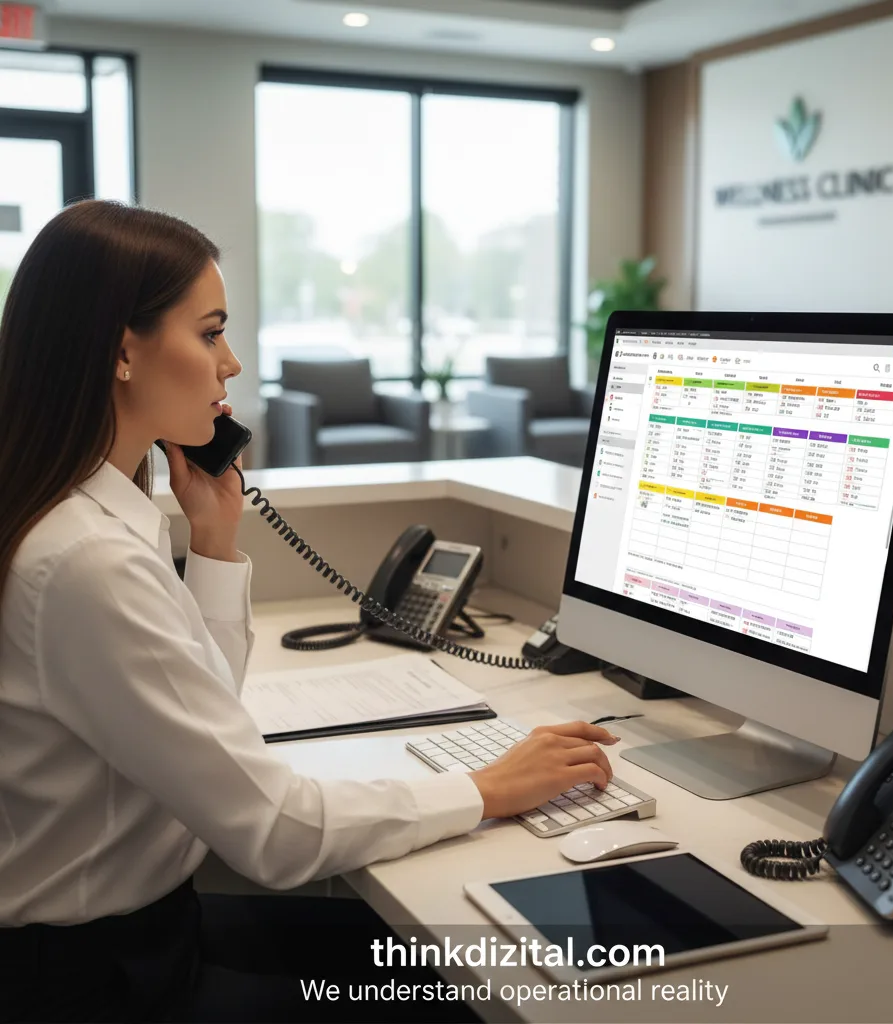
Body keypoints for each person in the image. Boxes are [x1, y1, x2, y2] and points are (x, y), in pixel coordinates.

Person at [0, 200, 619, 1022]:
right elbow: (274, 831)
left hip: (133, 934)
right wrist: (489, 786)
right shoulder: (87, 561)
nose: (234, 364)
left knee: (440, 955)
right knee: (466, 987)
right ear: (122, 349)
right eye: (211, 332)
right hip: (103, 979)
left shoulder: (88, 516)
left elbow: (199, 712)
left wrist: (215, 542)